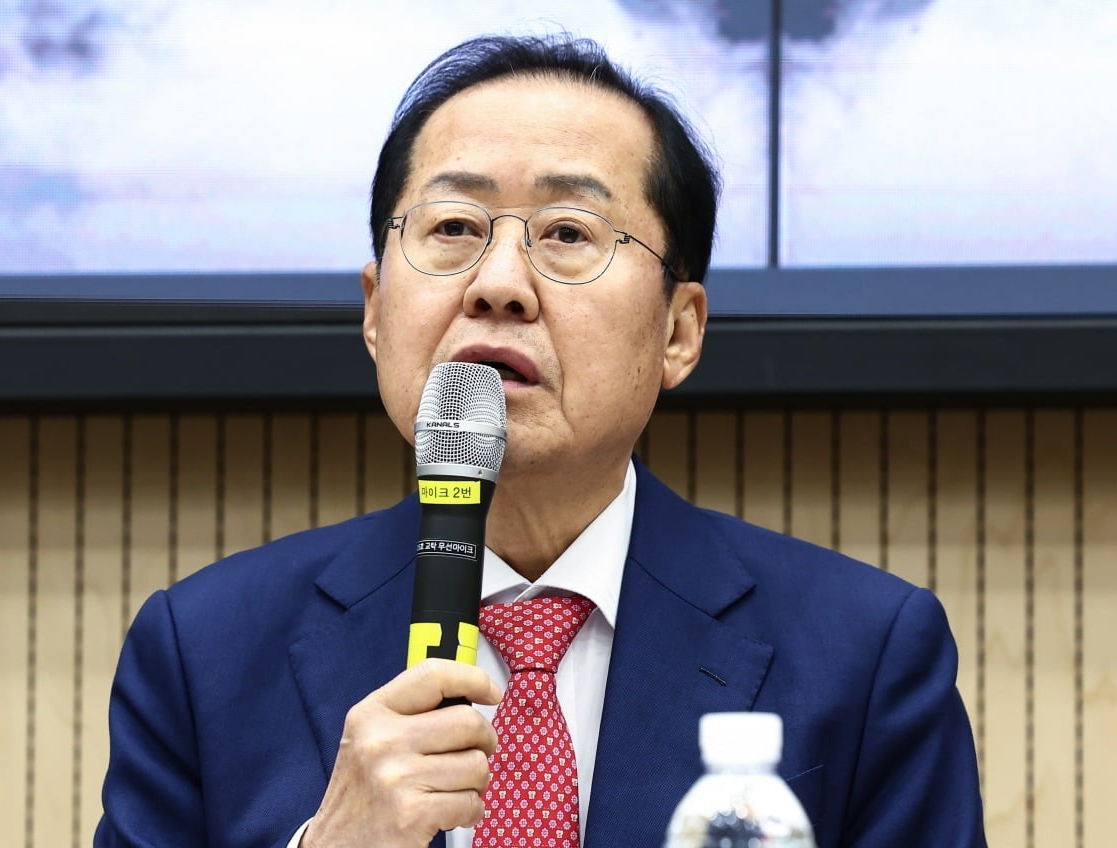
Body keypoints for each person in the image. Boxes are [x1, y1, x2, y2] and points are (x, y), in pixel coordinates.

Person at [94, 33, 987, 848]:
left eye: (567, 233)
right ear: (373, 311)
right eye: (453, 228)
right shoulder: (203, 653)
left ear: (679, 331)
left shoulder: (864, 657)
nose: (499, 284)